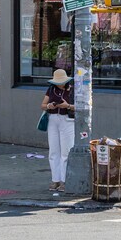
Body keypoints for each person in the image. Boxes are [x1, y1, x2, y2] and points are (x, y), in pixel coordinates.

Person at [41, 67, 76, 196]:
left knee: (66, 151)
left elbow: (81, 107)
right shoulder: (51, 89)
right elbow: (43, 105)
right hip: (53, 118)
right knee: (54, 151)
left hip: (67, 119)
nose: (59, 84)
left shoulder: (73, 90)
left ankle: (64, 180)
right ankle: (55, 179)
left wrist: (67, 106)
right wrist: (49, 106)